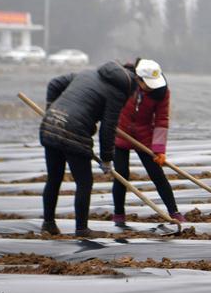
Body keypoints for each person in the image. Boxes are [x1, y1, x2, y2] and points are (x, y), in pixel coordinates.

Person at [39, 61, 138, 237]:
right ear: (130, 84)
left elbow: (54, 83)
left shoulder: (86, 73)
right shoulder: (117, 93)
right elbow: (108, 127)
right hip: (74, 132)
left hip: (50, 125)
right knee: (84, 182)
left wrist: (50, 109)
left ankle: (48, 224)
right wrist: (107, 158)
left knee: (54, 178)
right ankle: (82, 229)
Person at [111, 59, 184, 226]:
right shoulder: (124, 83)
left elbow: (161, 120)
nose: (151, 87)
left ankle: (174, 211)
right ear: (138, 79)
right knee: (121, 175)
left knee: (157, 175)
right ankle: (119, 215)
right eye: (147, 84)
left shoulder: (162, 92)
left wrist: (159, 149)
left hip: (144, 137)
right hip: (120, 132)